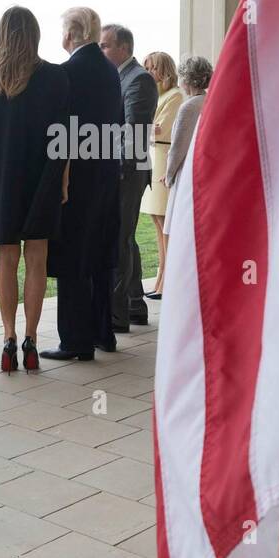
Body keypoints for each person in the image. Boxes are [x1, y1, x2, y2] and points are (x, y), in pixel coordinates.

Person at [0, 5, 70, 373]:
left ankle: (7, 339)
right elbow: (62, 138)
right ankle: (31, 340)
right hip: (42, 180)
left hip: (3, 182)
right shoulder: (55, 77)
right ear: (36, 34)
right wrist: (64, 181)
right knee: (37, 259)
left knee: (6, 259)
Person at [42, 8, 124, 361]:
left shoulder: (67, 73)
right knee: (101, 255)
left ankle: (75, 340)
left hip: (76, 179)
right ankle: (102, 332)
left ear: (70, 34)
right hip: (107, 175)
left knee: (74, 258)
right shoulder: (110, 70)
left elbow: (58, 130)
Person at [99, 23, 157, 332]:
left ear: (123, 48)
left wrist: (114, 168)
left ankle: (117, 315)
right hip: (125, 168)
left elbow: (134, 132)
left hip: (128, 170)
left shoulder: (139, 79)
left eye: (105, 46)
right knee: (127, 238)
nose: (101, 51)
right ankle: (135, 305)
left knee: (119, 239)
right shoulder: (120, 77)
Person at [138, 51, 183, 299]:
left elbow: (159, 129)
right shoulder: (160, 95)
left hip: (164, 159)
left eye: (151, 67)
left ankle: (168, 283)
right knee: (158, 224)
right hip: (156, 158)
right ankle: (160, 281)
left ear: (163, 69)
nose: (147, 71)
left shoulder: (175, 95)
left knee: (167, 226)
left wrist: (136, 126)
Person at [162, 55, 212, 237]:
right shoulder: (210, 101)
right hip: (204, 170)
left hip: (186, 173)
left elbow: (178, 147)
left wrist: (168, 175)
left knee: (176, 229)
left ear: (187, 79)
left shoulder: (188, 107)